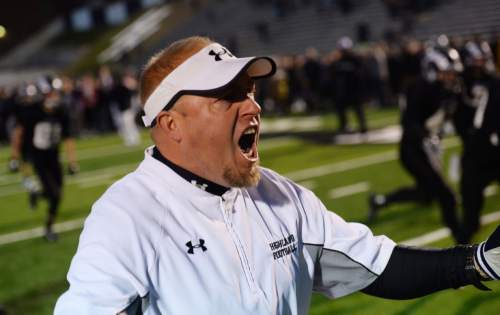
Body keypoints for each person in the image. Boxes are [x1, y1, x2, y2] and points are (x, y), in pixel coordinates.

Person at [55, 36, 500, 315]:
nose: (254, 106)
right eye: (227, 97)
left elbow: (376, 267)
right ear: (172, 124)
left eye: (249, 91)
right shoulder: (126, 215)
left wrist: (476, 261)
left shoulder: (280, 196)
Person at [368, 44, 463, 243]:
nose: (450, 77)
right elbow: (409, 123)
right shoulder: (420, 88)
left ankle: (380, 201)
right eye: (446, 73)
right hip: (413, 150)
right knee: (447, 196)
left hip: (425, 147)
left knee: (426, 194)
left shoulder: (445, 89)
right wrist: (427, 134)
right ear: (432, 70)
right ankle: (461, 241)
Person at [11, 78, 78, 241]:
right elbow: (19, 134)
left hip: (54, 158)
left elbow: (68, 138)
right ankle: (48, 229)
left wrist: (72, 162)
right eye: (51, 93)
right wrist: (15, 158)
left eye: (56, 93)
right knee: (54, 194)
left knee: (57, 195)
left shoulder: (61, 111)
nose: (55, 96)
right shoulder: (31, 112)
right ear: (42, 95)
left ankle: (38, 196)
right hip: (38, 159)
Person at [453, 40, 500, 243]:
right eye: (476, 60)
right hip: (474, 154)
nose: (480, 64)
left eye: (483, 59)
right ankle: (460, 262)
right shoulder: (458, 84)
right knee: (470, 216)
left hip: (496, 152)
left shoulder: (495, 82)